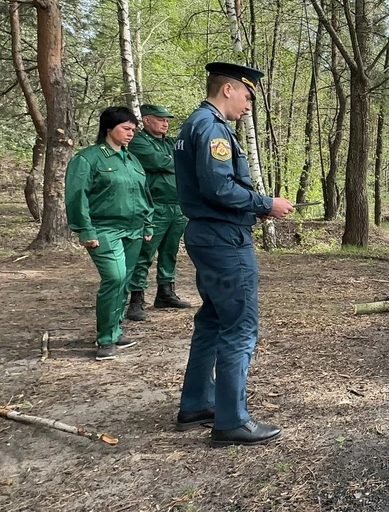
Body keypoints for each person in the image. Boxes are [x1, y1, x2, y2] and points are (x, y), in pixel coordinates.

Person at [173, 61, 294, 446]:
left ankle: (196, 402)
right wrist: (264, 203)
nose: (248, 105)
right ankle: (231, 420)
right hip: (224, 238)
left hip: (208, 235)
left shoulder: (196, 123)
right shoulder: (211, 128)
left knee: (212, 318)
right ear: (228, 89)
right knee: (240, 325)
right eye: (247, 95)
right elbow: (218, 187)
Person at [65, 107, 153, 361]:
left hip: (134, 230)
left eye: (133, 130)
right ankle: (105, 339)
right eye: (126, 128)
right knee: (114, 278)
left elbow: (143, 194)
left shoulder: (131, 159)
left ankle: (115, 330)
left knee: (124, 281)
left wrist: (147, 224)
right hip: (104, 230)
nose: (130, 134)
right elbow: (76, 196)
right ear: (108, 128)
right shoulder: (89, 158)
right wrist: (85, 229)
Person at [125, 103, 190, 320]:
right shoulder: (138, 141)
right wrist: (176, 162)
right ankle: (136, 298)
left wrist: (175, 161)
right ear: (146, 120)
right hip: (154, 206)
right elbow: (156, 161)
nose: (165, 123)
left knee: (170, 252)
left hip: (177, 205)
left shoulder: (170, 142)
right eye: (160, 119)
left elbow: (186, 158)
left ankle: (166, 292)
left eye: (167, 119)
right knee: (144, 253)